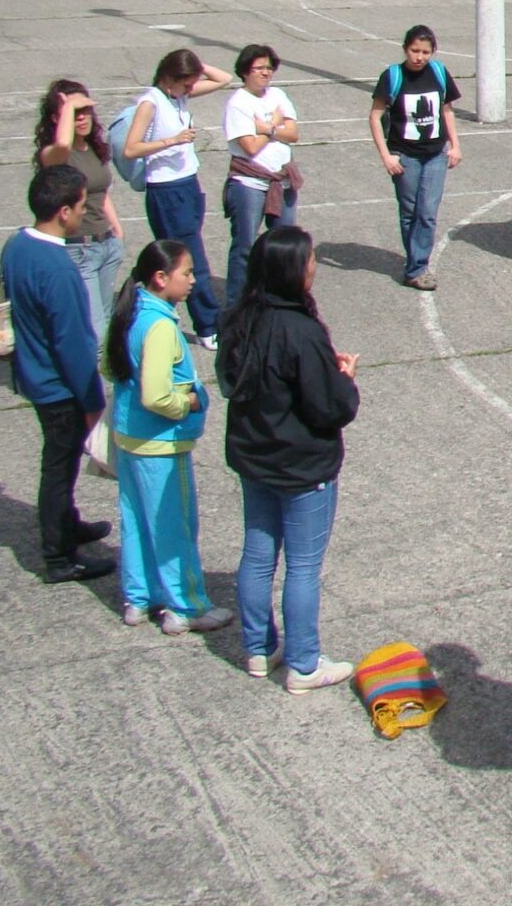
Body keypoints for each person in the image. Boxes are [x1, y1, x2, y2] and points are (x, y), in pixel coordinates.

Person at [218, 227, 361, 694]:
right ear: (292, 270)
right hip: (301, 467)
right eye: (310, 258)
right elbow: (331, 407)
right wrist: (344, 378)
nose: (314, 265)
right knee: (302, 566)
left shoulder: (239, 321)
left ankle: (258, 648)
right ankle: (303, 663)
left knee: (258, 553)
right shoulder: (301, 331)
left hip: (254, 458)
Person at [107, 239, 232, 634]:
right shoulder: (160, 326)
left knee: (135, 520)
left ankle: (138, 597)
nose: (193, 280)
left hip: (129, 437)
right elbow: (156, 395)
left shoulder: (130, 311)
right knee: (174, 525)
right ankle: (185, 606)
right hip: (160, 443)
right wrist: (189, 402)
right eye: (187, 273)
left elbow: (109, 367)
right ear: (161, 278)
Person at [1, 164, 113, 583]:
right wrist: (92, 400)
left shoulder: (16, 245)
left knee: (59, 464)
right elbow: (73, 344)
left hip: (33, 374)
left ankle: (69, 522)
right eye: (81, 205)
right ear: (64, 212)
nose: (85, 212)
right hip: (59, 388)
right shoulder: (59, 268)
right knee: (59, 469)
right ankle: (59, 556)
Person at [121, 49, 231, 348]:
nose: (190, 89)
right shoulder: (151, 102)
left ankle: (150, 307)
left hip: (188, 183)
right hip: (166, 189)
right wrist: (172, 140)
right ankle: (208, 325)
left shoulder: (178, 96)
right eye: (186, 83)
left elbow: (223, 79)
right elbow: (131, 148)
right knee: (192, 261)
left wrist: (196, 65)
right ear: (169, 79)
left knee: (179, 256)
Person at [369, 24, 462, 291]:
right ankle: (415, 265)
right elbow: (375, 117)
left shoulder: (439, 73)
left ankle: (417, 267)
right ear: (405, 49)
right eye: (414, 51)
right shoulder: (393, 76)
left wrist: (455, 145)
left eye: (425, 52)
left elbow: (447, 110)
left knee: (427, 212)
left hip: (435, 154)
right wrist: (386, 156)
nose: (419, 57)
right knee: (409, 211)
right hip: (405, 156)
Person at [34, 79, 125, 342]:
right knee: (94, 330)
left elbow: (100, 192)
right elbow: (62, 145)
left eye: (86, 110)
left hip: (106, 244)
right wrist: (68, 107)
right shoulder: (54, 155)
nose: (83, 117)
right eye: (75, 113)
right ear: (57, 118)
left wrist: (116, 230)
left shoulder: (92, 149)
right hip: (78, 249)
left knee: (105, 320)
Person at [222, 45, 301, 307]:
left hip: (282, 180)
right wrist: (274, 125)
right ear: (245, 72)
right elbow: (250, 147)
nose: (265, 73)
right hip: (249, 183)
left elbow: (293, 134)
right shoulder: (238, 103)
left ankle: (279, 300)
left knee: (284, 246)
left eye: (269, 68)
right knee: (244, 246)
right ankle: (237, 305)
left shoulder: (278, 95)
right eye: (259, 68)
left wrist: (265, 128)